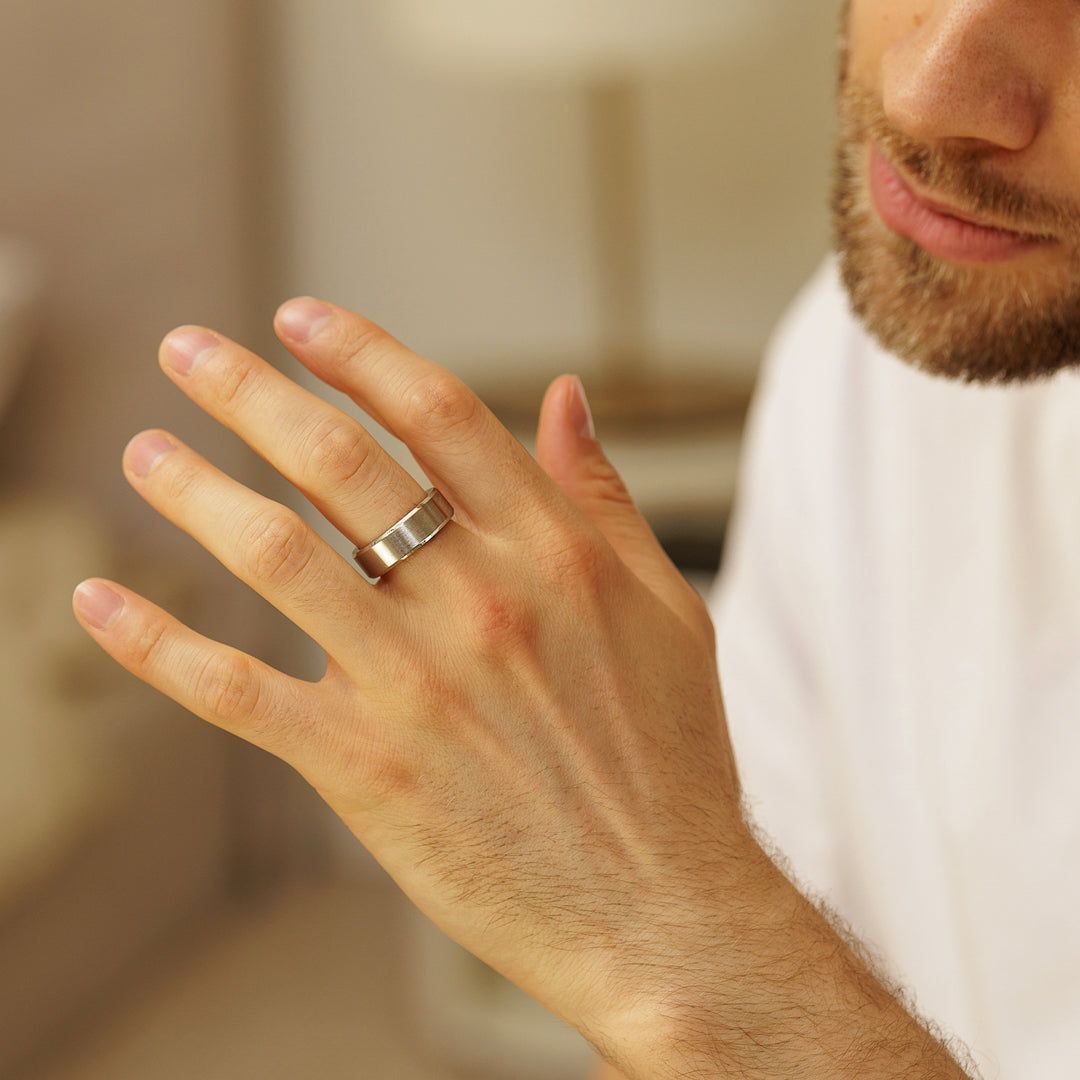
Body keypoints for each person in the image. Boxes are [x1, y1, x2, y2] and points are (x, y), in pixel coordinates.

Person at [71, 0, 1080, 1075]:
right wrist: (656, 948)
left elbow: (724, 988)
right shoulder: (861, 368)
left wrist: (679, 935)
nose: (926, 88)